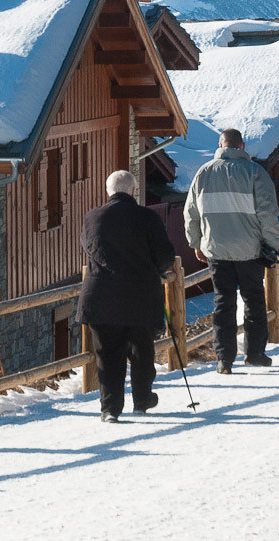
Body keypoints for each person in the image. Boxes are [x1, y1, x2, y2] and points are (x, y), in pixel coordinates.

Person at [78, 169, 178, 421]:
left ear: (108, 191)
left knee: (107, 354)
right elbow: (165, 256)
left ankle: (110, 409)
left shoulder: (92, 218)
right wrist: (156, 269)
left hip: (100, 297)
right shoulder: (148, 218)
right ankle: (142, 400)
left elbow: (90, 248)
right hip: (140, 296)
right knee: (142, 350)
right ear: (133, 190)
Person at [184, 128, 279, 374]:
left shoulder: (203, 173)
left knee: (223, 302)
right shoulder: (255, 173)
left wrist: (196, 243)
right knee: (253, 300)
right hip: (250, 250)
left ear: (220, 144)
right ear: (242, 146)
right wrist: (272, 246)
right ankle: (254, 353)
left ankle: (224, 359)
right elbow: (268, 214)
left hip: (216, 250)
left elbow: (191, 215)